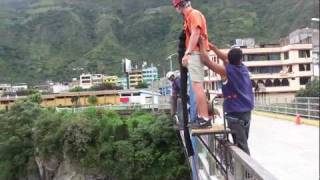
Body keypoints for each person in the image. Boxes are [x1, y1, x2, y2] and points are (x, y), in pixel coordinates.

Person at [199, 38, 254, 155]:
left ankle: (248, 172)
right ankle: (244, 171)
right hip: (246, 113)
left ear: (229, 59)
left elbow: (206, 61)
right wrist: (213, 48)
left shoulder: (225, 72)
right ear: (241, 59)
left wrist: (202, 45)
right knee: (243, 142)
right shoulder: (243, 68)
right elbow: (225, 57)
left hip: (235, 114)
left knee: (241, 147)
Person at [172, 0, 212, 128]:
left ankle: (204, 117)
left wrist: (188, 53)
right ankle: (201, 117)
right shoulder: (189, 16)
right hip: (196, 53)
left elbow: (196, 33)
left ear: (178, 6)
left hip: (195, 54)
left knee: (197, 86)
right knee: (196, 87)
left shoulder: (194, 14)